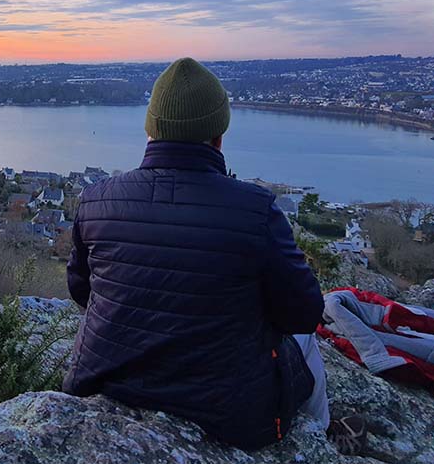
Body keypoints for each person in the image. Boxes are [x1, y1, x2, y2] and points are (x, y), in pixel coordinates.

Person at [63, 57, 365, 453]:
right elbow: (303, 314)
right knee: (305, 340)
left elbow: (82, 291)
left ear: (151, 131)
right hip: (230, 411)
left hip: (105, 380)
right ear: (218, 137)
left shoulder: (97, 199)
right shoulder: (256, 209)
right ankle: (319, 439)